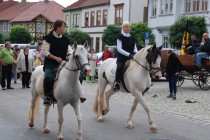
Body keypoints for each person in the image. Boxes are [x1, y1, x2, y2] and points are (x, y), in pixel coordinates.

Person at [42, 20, 86, 106]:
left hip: (63, 63)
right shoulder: (48, 38)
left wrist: (70, 55)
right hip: (51, 63)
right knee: (48, 76)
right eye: (63, 26)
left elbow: (69, 50)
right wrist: (55, 57)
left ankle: (79, 94)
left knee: (80, 74)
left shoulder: (65, 39)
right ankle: (47, 96)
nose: (65, 28)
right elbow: (44, 52)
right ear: (58, 27)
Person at [112, 21, 137, 91]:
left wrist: (136, 54)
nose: (128, 28)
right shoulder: (120, 37)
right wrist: (128, 54)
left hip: (131, 57)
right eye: (126, 26)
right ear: (123, 27)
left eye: (129, 27)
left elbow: (135, 48)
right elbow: (119, 49)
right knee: (120, 67)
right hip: (122, 58)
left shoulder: (132, 38)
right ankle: (116, 82)